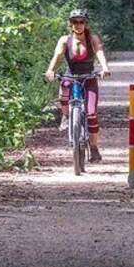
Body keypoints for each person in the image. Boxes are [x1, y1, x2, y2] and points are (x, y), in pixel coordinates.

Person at [44, 9, 111, 162]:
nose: (78, 25)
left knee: (92, 113)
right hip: (71, 75)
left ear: (86, 24)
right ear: (71, 24)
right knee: (64, 86)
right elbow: (58, 56)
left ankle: (93, 147)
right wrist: (50, 70)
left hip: (89, 77)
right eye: (75, 22)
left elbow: (99, 52)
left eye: (81, 22)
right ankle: (67, 116)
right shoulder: (64, 40)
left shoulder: (92, 39)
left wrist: (105, 68)